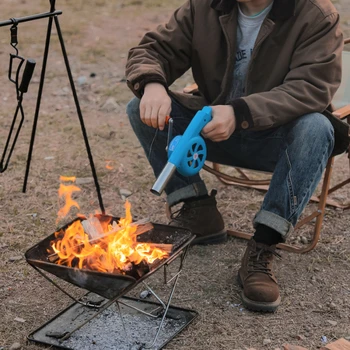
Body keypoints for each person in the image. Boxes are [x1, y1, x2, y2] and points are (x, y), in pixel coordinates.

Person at [125, 0, 344, 312]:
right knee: (141, 107)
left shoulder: (316, 15)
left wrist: (240, 112)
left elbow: (311, 89)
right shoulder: (204, 6)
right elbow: (153, 50)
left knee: (317, 127)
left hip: (277, 139)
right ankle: (198, 210)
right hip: (214, 130)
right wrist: (152, 83)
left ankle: (263, 246)